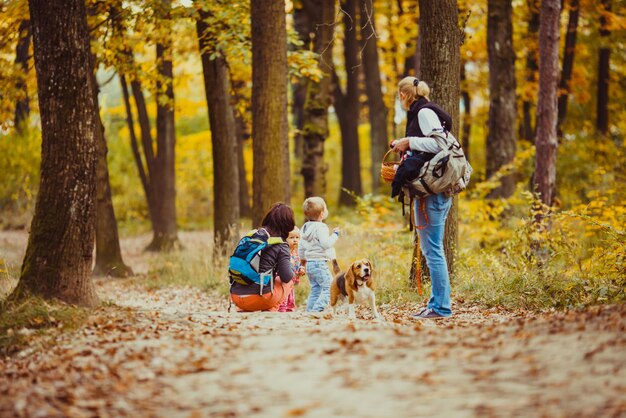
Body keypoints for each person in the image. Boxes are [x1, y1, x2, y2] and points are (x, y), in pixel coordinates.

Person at [391, 76, 453, 319]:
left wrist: (408, 141)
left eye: (399, 96)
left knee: (433, 250)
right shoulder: (426, 111)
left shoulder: (424, 113)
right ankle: (436, 303)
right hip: (434, 192)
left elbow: (440, 145)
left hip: (433, 194)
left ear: (404, 95)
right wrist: (406, 144)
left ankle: (441, 307)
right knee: (431, 249)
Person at [229, 203, 296, 312]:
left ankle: (244, 307)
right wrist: (291, 264)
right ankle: (271, 310)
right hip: (259, 299)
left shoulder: (252, 236)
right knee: (288, 281)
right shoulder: (281, 244)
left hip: (235, 297)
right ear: (288, 224)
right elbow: (286, 277)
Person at [298, 197, 340, 312]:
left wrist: (302, 260)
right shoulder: (321, 227)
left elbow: (300, 246)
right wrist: (335, 235)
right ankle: (316, 310)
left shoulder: (305, 228)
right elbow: (326, 244)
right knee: (330, 286)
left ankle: (310, 311)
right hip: (319, 263)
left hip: (310, 264)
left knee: (316, 288)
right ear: (322, 214)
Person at [278, 227, 306, 312]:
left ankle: (289, 309)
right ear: (285, 239)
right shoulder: (284, 251)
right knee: (284, 295)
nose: (295, 240)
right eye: (291, 237)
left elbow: (299, 263)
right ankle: (281, 309)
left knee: (291, 296)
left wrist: (301, 269)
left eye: (297, 237)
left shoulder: (296, 252)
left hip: (293, 280)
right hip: (284, 280)